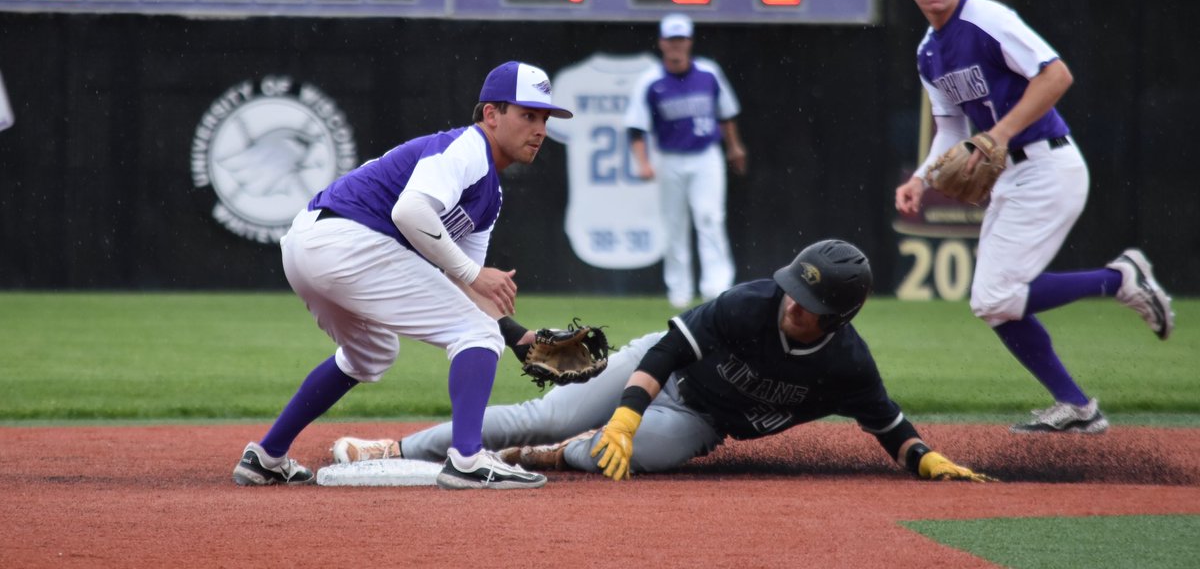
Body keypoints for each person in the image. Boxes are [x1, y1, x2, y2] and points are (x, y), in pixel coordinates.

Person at [331, 240, 994, 484]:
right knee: (543, 413)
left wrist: (927, 461)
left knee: (617, 460)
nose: (792, 305)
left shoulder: (846, 364)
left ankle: (547, 460)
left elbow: (889, 425)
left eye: (808, 302)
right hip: (661, 367)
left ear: (839, 317)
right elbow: (674, 348)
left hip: (702, 419)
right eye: (793, 289)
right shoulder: (751, 302)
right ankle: (396, 447)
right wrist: (624, 412)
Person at [231, 60, 572, 490]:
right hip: (346, 240)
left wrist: (517, 337)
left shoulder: (490, 196)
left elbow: (462, 285)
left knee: (372, 354)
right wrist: (474, 278)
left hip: (309, 246)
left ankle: (267, 456)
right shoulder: (466, 148)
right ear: (491, 114)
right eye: (527, 115)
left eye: (544, 118)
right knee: (475, 334)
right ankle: (467, 460)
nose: (540, 129)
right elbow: (410, 213)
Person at [893, 0, 1175, 435]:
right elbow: (952, 127)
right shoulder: (928, 52)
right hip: (1012, 174)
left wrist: (998, 134)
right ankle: (1077, 407)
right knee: (994, 305)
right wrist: (921, 178)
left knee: (993, 298)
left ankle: (1120, 280)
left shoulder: (986, 18)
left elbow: (1057, 75)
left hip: (1047, 165)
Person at [625, 13, 748, 309]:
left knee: (710, 219)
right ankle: (679, 292)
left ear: (690, 42)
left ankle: (716, 290)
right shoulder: (651, 81)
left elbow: (727, 114)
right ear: (662, 43)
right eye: (671, 40)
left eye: (681, 39)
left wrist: (735, 147)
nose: (676, 45)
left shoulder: (709, 73)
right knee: (674, 226)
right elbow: (636, 127)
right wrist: (642, 162)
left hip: (706, 156)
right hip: (670, 158)